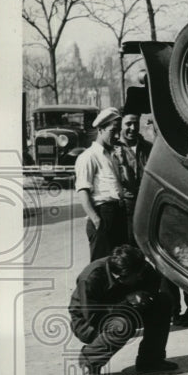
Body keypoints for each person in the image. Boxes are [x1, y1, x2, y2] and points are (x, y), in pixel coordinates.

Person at [68, 244, 177, 375]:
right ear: (121, 277)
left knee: (162, 302)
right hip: (88, 321)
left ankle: (151, 360)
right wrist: (126, 304)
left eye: (141, 274)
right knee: (122, 326)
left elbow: (153, 285)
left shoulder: (140, 267)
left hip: (128, 309)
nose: (140, 277)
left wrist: (145, 296)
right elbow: (93, 315)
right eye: (136, 276)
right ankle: (90, 360)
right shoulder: (91, 277)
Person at [75, 107, 128, 261]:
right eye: (113, 131)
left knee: (119, 265)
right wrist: (96, 220)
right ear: (100, 129)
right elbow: (83, 191)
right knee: (101, 265)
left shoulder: (112, 156)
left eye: (119, 130)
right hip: (102, 214)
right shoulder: (88, 156)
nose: (117, 135)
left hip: (118, 214)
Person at [111, 109, 153, 244]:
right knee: (130, 243)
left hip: (148, 203)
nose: (133, 128)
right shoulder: (113, 149)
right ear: (120, 125)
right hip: (127, 206)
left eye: (136, 123)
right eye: (128, 124)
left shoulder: (148, 147)